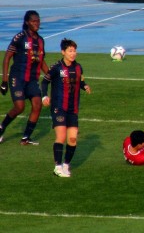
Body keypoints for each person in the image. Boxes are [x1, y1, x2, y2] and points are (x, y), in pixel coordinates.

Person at [41, 38, 90, 178]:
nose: (73, 53)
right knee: (61, 136)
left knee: (73, 139)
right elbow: (44, 82)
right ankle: (57, 166)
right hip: (59, 107)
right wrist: (44, 96)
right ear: (63, 52)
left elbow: (80, 80)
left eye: (74, 50)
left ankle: (66, 165)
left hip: (73, 109)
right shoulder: (56, 67)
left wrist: (84, 86)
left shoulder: (78, 67)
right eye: (70, 51)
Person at [0, 10, 49, 146]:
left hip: (32, 80)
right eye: (33, 21)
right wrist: (4, 81)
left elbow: (41, 61)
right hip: (18, 78)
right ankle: (2, 127)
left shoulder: (40, 41)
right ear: (27, 22)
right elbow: (7, 57)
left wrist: (51, 76)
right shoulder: (20, 37)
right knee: (19, 107)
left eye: (38, 21)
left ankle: (26, 137)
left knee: (37, 105)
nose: (37, 24)